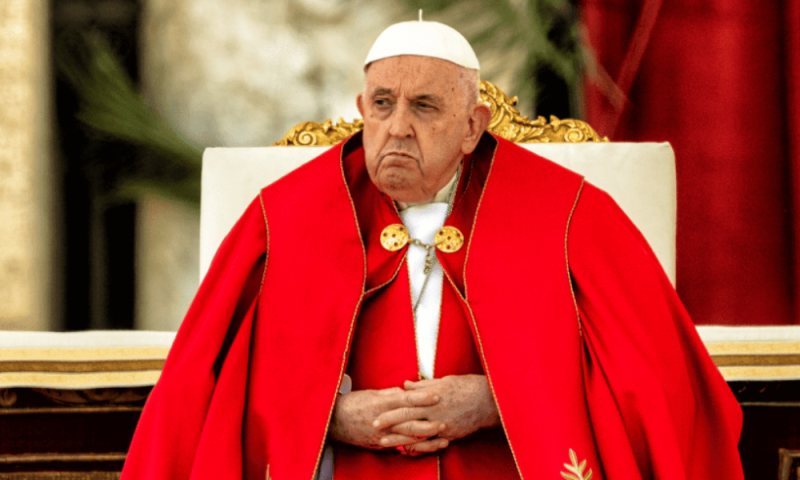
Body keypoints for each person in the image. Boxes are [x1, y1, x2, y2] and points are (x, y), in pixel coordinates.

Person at [121, 18, 745, 480]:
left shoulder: (570, 215)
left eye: (424, 107)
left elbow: (660, 384)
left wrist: (496, 400)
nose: (397, 128)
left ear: (473, 125)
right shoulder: (283, 220)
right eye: (382, 105)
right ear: (361, 109)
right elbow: (207, 390)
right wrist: (332, 416)